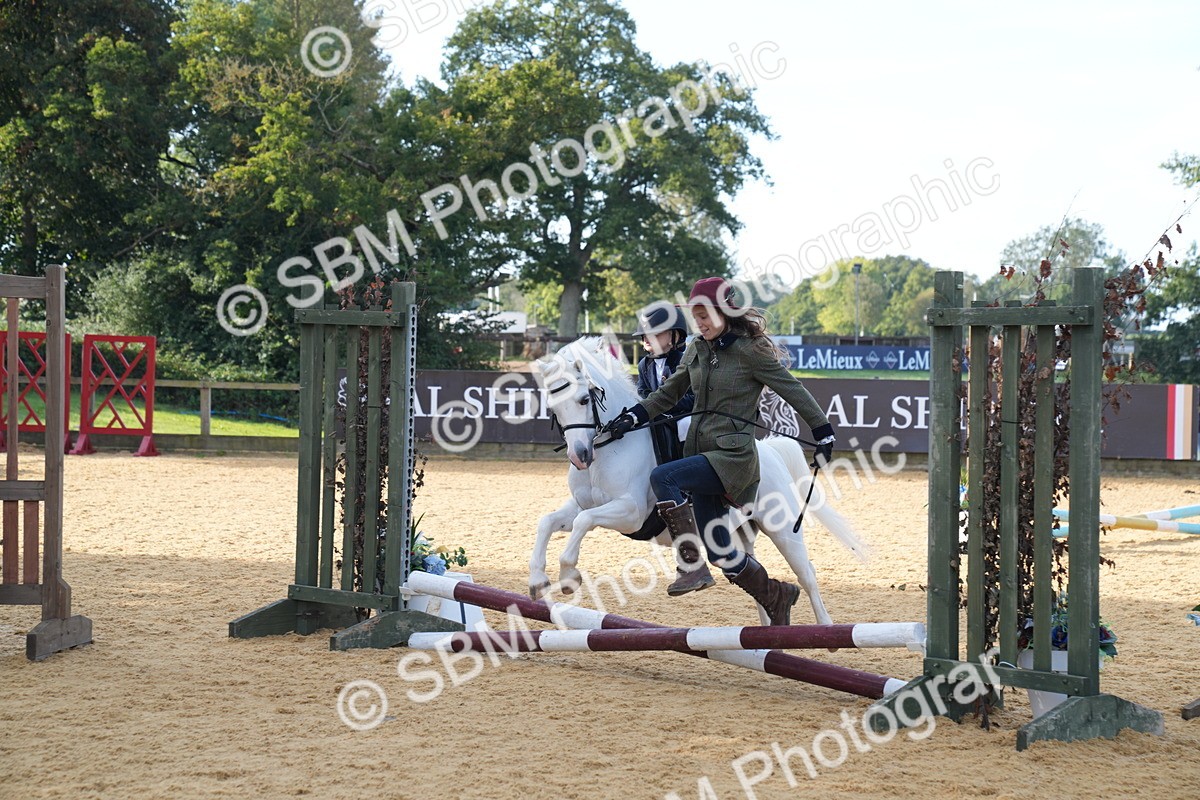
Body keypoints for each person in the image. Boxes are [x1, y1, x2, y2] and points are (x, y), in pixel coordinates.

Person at [604, 277, 836, 624]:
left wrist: (823, 431)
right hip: (701, 454)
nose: (699, 324)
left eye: (705, 316)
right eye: (696, 317)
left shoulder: (751, 351)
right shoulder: (697, 349)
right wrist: (633, 416)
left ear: (725, 313)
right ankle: (776, 595)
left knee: (663, 477)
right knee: (722, 553)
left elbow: (792, 389)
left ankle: (690, 564)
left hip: (733, 459)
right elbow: (667, 394)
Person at [630, 304, 711, 593]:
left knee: (684, 427)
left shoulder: (685, 358)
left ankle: (687, 486)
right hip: (658, 416)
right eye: (644, 335)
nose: (646, 340)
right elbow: (643, 394)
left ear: (675, 336)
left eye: (654, 334)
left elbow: (693, 397)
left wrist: (667, 408)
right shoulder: (644, 365)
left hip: (688, 416)